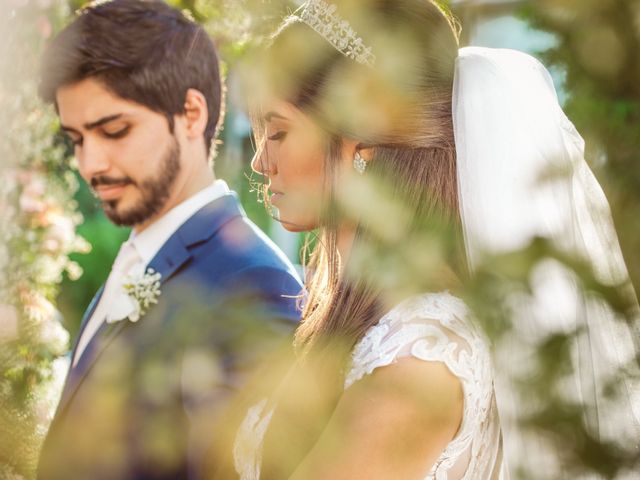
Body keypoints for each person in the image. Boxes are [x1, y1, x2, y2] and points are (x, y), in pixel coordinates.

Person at [232, 0, 640, 479]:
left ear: (364, 142)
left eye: (278, 132)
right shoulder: (371, 322)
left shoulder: (421, 356)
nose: (260, 162)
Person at [36, 1, 302, 479]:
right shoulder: (142, 251)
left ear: (191, 114)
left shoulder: (253, 284)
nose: (90, 163)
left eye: (114, 130)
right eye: (76, 139)